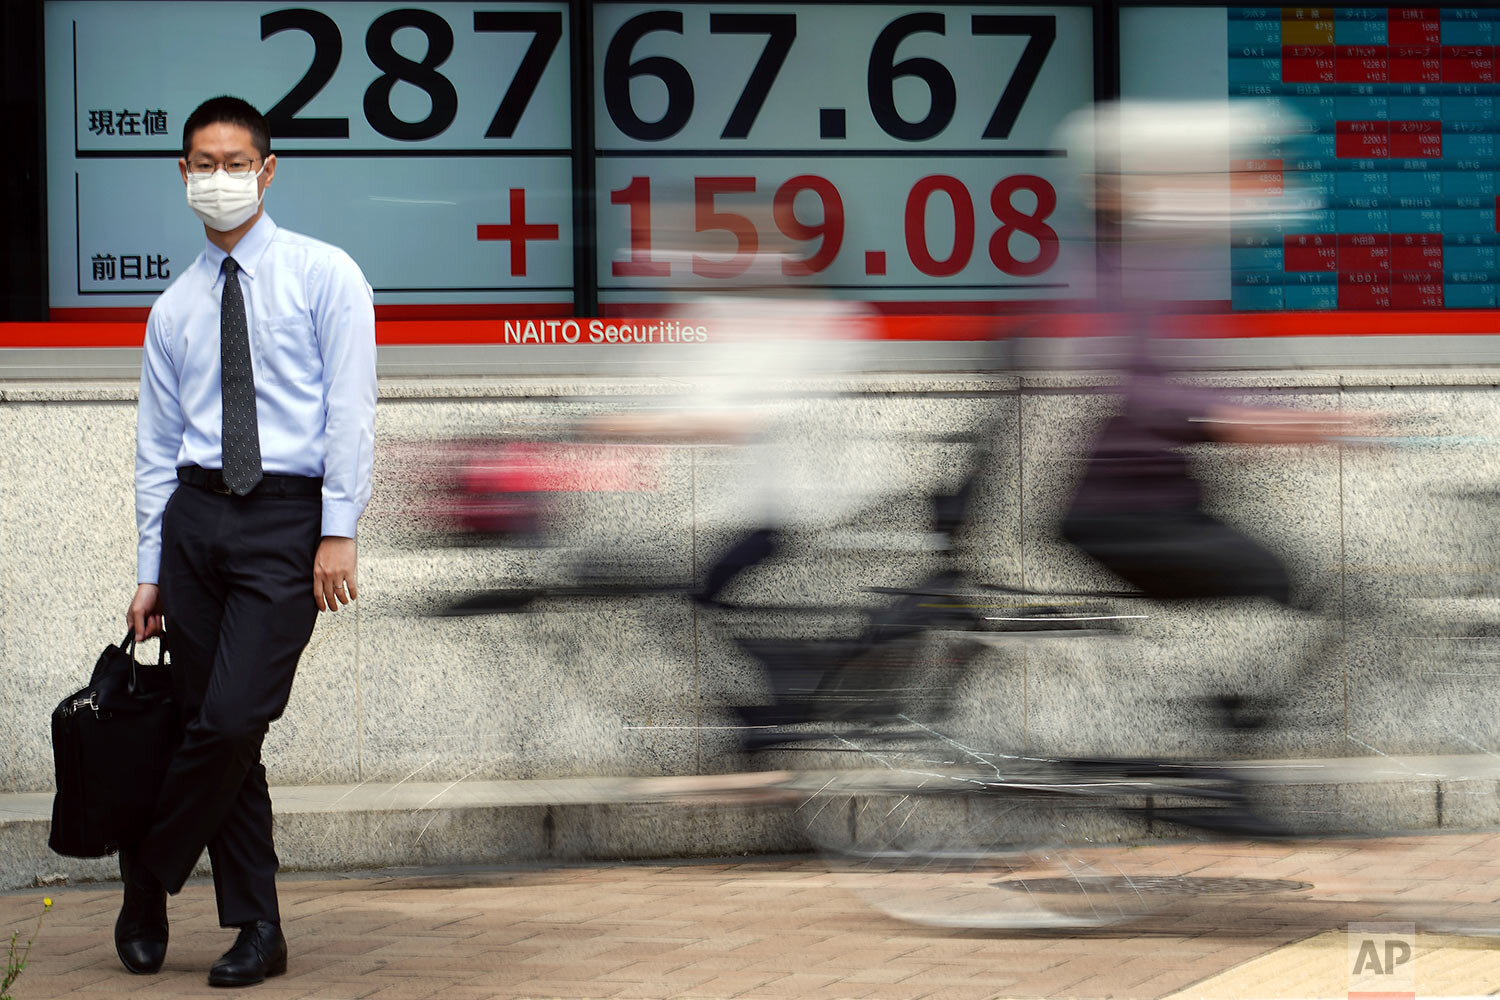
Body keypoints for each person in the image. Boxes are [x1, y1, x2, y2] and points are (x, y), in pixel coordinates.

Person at [120, 96, 376, 987]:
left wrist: (339, 528)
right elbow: (155, 451)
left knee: (234, 717)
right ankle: (257, 929)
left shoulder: (326, 275)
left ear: (268, 171)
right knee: (215, 728)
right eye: (202, 163)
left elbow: (351, 413)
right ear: (182, 175)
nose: (218, 178)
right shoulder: (173, 308)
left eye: (235, 162)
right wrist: (151, 569)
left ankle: (147, 875)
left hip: (284, 521)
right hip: (193, 522)